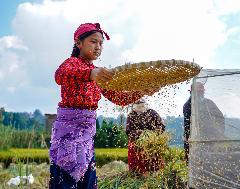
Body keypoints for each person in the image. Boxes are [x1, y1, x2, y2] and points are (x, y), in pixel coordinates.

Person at [49, 23, 157, 189]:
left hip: (86, 137)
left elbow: (118, 98)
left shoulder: (98, 73)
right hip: (68, 136)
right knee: (67, 179)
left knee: (87, 181)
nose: (98, 47)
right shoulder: (72, 63)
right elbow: (60, 75)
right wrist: (91, 74)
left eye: (101, 44)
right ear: (78, 43)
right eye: (93, 42)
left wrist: (141, 91)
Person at [183, 82, 225, 163]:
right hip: (194, 138)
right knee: (194, 161)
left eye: (202, 91)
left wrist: (220, 132)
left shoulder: (209, 103)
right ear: (192, 92)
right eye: (199, 91)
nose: (201, 92)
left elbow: (220, 117)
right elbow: (187, 124)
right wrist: (188, 138)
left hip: (209, 136)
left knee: (210, 160)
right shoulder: (188, 105)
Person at [126, 98, 165, 175]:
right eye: (138, 106)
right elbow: (128, 131)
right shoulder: (131, 115)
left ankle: (154, 175)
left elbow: (161, 126)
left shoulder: (152, 113)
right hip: (136, 144)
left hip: (152, 143)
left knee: (153, 162)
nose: (139, 109)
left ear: (144, 105)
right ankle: (136, 175)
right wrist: (141, 133)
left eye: (141, 106)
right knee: (137, 167)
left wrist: (151, 134)